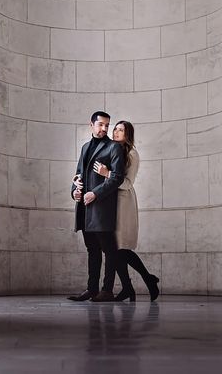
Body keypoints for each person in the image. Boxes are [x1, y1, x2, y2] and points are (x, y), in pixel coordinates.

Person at [93, 120, 160, 302]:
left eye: (120, 130)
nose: (115, 132)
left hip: (123, 203)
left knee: (120, 248)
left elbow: (128, 183)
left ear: (128, 134)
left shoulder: (132, 154)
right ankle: (128, 288)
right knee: (114, 248)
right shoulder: (114, 150)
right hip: (111, 202)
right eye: (115, 129)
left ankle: (147, 279)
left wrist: (107, 174)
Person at [67, 111, 126, 302]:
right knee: (92, 249)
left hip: (102, 209)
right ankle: (91, 289)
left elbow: (117, 178)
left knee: (109, 250)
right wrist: (75, 192)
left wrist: (95, 193)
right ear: (91, 124)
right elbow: (77, 175)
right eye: (100, 124)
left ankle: (107, 290)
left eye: (107, 125)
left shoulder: (114, 147)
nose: (104, 128)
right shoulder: (85, 147)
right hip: (85, 208)